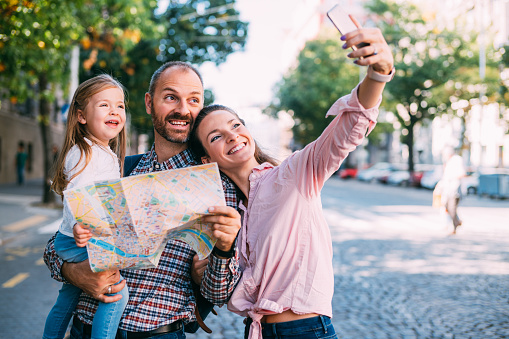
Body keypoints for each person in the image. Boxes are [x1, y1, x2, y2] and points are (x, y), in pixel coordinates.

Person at [189, 21, 394, 339]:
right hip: (256, 331)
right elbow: (228, 290)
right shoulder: (232, 213)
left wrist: (377, 75)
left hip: (305, 330)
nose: (233, 136)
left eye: (236, 125)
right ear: (207, 159)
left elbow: (346, 129)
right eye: (217, 136)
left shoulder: (295, 174)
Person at [43, 61, 242, 338]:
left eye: (193, 100)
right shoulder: (120, 169)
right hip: (85, 329)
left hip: (159, 333)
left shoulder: (218, 188)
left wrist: (223, 250)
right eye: (171, 97)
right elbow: (57, 244)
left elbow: (218, 293)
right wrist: (73, 272)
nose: (183, 110)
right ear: (149, 103)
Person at [43, 74, 129, 339]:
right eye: (104, 105)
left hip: (72, 239)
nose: (114, 110)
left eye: (120, 105)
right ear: (81, 116)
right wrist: (82, 224)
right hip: (81, 239)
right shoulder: (86, 152)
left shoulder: (99, 151)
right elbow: (78, 194)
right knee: (116, 293)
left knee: (67, 299)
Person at [436, 147, 466, 235]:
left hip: (455, 189)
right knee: (446, 206)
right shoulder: (448, 162)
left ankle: (454, 227)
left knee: (452, 208)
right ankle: (457, 222)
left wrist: (452, 178)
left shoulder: (457, 160)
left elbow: (462, 173)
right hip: (448, 189)